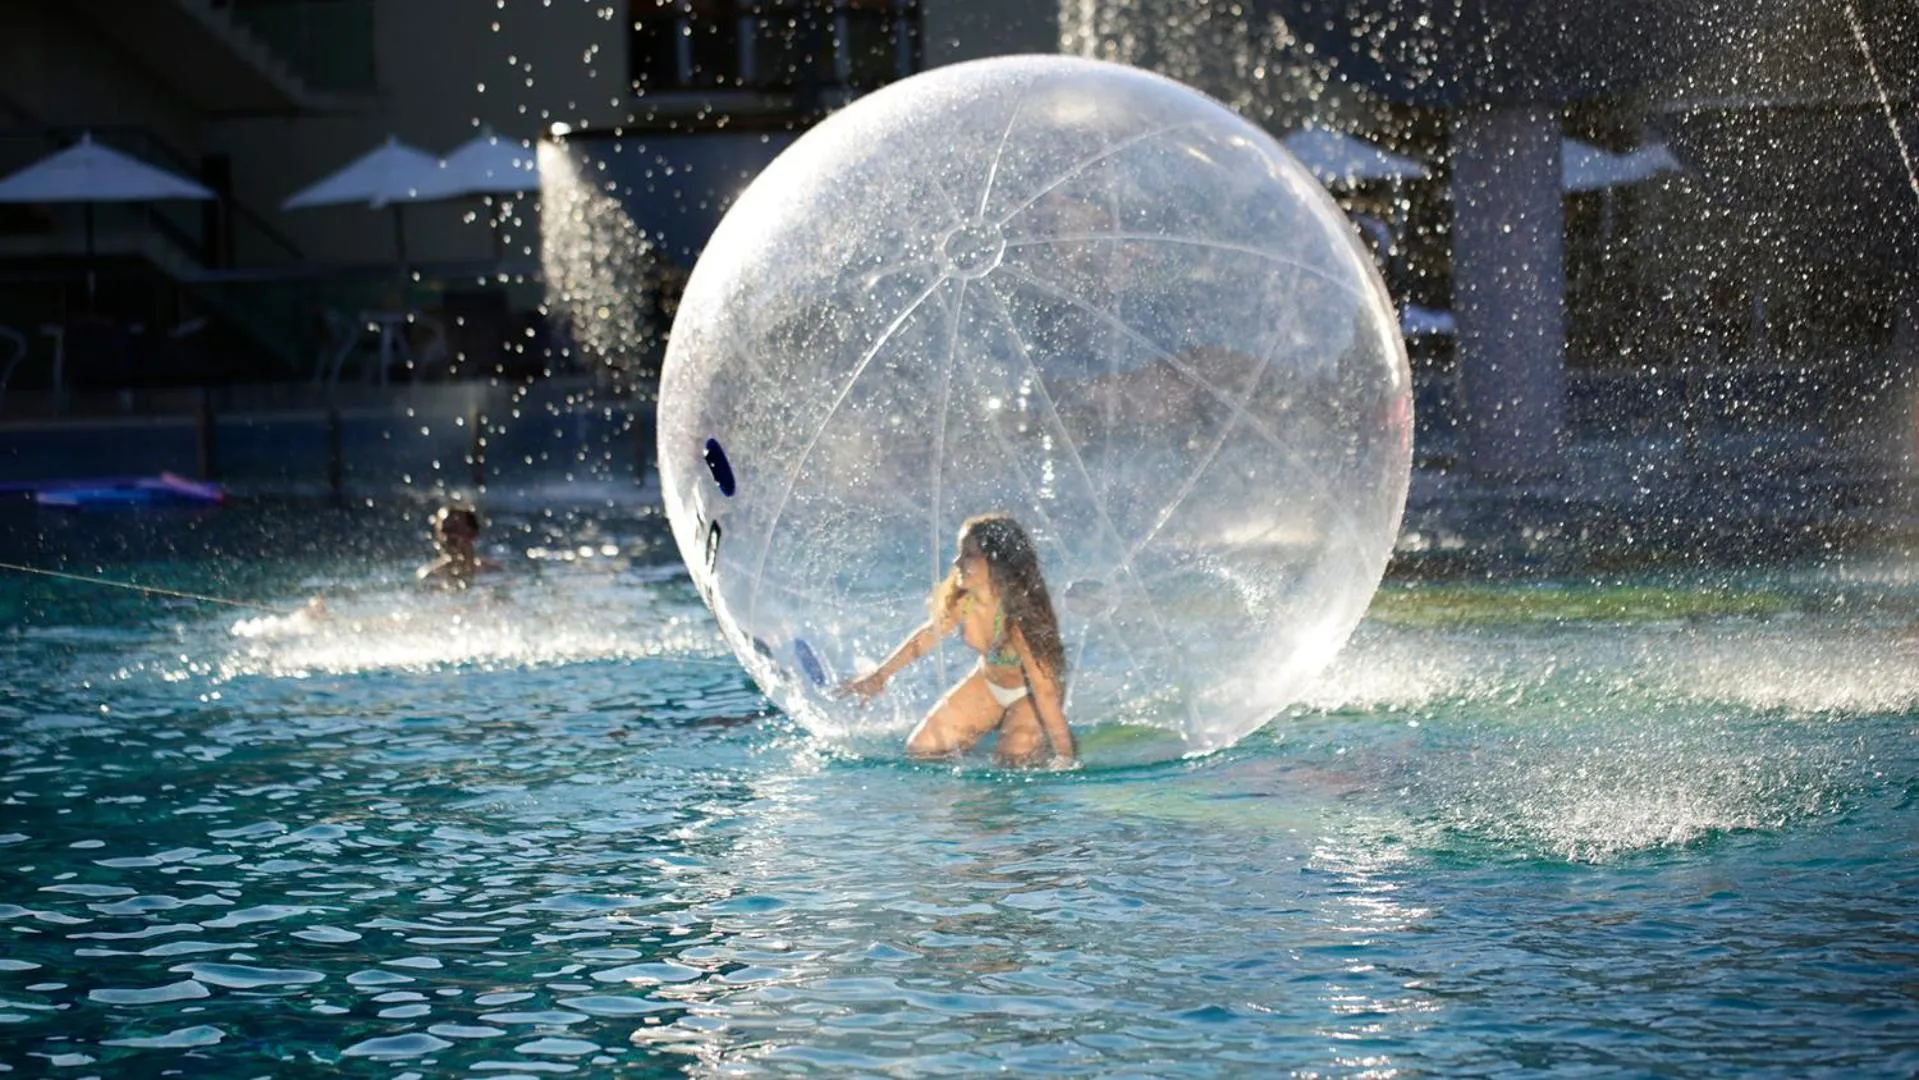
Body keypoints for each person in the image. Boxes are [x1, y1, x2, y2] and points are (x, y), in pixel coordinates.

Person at [838, 513, 1076, 768]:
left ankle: (1027, 740)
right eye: (959, 553)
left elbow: (1045, 690)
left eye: (968, 555)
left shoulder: (1018, 622)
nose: (957, 562)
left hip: (1030, 694)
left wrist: (1065, 756)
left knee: (1013, 762)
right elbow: (926, 638)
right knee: (922, 751)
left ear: (996, 563)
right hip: (988, 683)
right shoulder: (965, 601)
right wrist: (880, 675)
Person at [416, 504, 500, 587]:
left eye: (455, 531)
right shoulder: (429, 577)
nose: (448, 538)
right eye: (444, 531)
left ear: (472, 534)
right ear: (437, 536)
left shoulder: (494, 574)